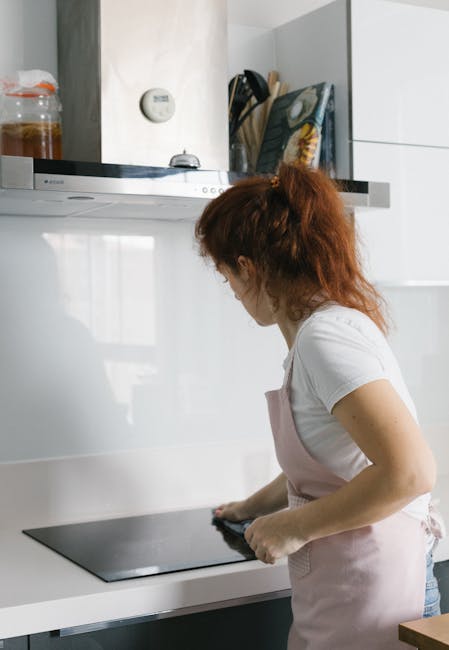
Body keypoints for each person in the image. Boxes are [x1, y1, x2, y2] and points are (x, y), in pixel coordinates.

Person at [195, 162, 444, 649]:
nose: (233, 293)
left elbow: (411, 473)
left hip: (378, 596)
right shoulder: (327, 328)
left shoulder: (325, 339)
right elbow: (332, 464)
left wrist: (292, 526)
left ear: (248, 269)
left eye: (227, 277)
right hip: (351, 592)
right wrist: (251, 507)